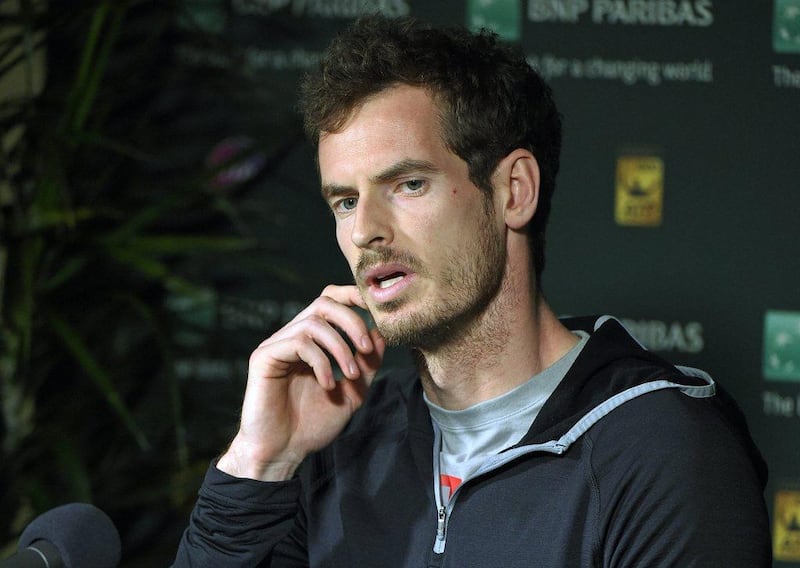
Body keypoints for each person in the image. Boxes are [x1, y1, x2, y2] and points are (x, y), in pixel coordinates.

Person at [174, 15, 770, 567]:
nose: (364, 231)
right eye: (346, 200)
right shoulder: (338, 446)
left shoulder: (658, 447)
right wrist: (260, 463)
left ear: (514, 191)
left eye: (407, 184)